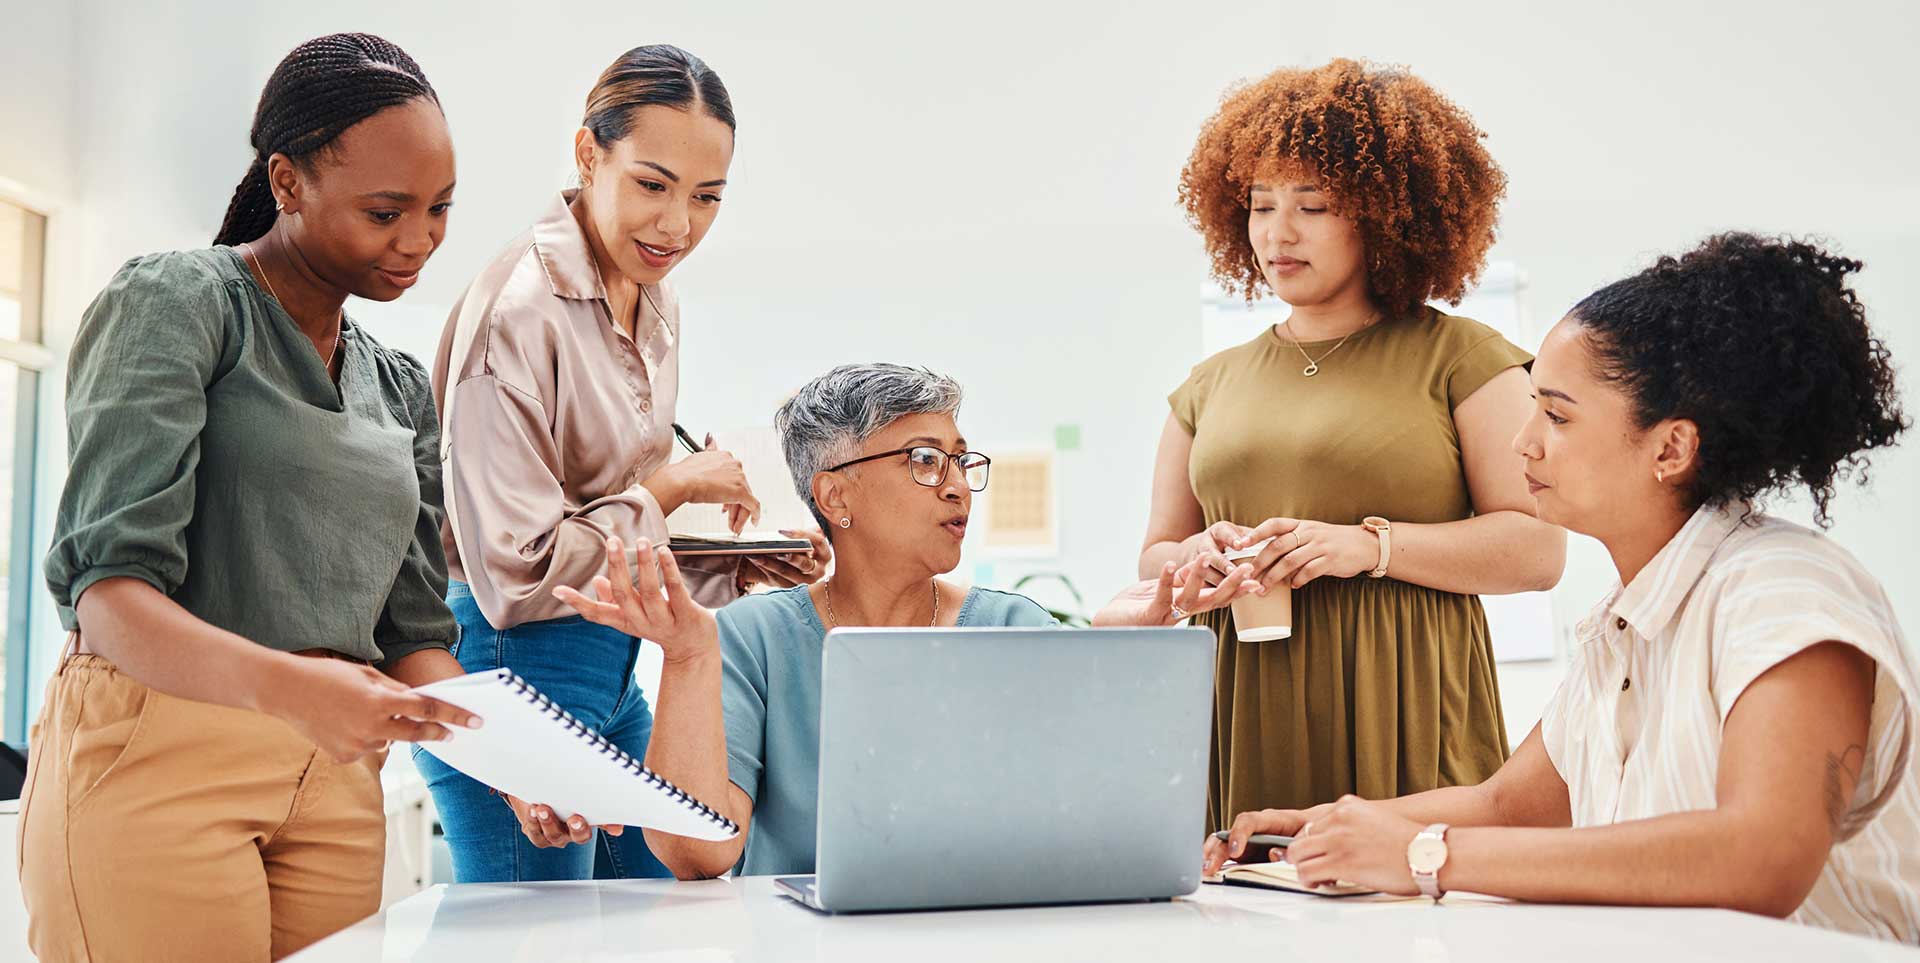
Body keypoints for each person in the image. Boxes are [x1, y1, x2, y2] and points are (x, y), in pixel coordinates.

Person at [1206, 234, 1920, 943]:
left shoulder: (1785, 592)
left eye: (1557, 414)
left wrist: (1423, 853)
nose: (1524, 443)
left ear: (1670, 448)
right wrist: (1326, 827)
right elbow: (1508, 805)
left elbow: (1759, 856)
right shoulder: (1622, 624)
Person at [19, 34, 480, 961]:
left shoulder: (397, 387)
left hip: (336, 786)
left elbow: (415, 638)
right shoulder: (181, 302)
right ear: (287, 181)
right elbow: (107, 598)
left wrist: (510, 763)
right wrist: (294, 688)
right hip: (161, 755)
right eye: (386, 210)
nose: (420, 240)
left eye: (439, 209)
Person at [555, 363, 1261, 877]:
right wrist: (686, 658)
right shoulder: (751, 638)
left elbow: (1091, 828)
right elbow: (698, 853)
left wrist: (1108, 650)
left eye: (961, 460)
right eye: (924, 460)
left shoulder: (1012, 627)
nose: (957, 484)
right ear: (836, 495)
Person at [417, 44, 827, 883]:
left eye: (707, 197)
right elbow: (519, 573)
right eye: (652, 184)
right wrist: (673, 486)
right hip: (510, 658)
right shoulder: (519, 314)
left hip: (610, 659)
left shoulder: (652, 293)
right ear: (586, 155)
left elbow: (609, 533)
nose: (678, 226)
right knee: (533, 941)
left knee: (676, 890)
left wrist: (747, 565)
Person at [1143, 59, 1566, 824]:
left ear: (1382, 213)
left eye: (1313, 204)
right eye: (1260, 204)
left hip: (1406, 703)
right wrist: (1196, 562)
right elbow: (1155, 556)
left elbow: (1538, 551)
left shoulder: (1464, 358)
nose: (1279, 231)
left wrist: (1367, 546)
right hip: (1237, 705)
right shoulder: (1208, 384)